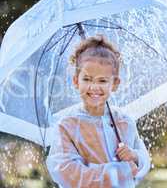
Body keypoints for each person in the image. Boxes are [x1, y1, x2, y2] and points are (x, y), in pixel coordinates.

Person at [46, 35, 151, 188]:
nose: (94, 87)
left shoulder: (123, 122)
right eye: (87, 79)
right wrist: (117, 172)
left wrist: (134, 157)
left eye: (102, 81)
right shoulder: (67, 126)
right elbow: (67, 173)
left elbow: (142, 161)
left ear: (114, 83)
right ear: (76, 81)